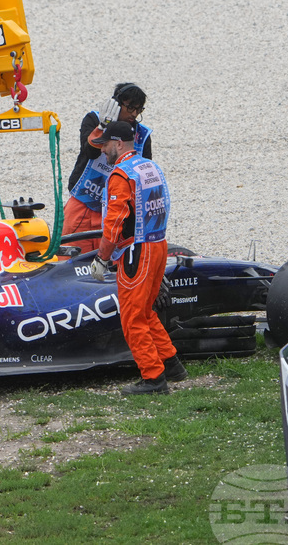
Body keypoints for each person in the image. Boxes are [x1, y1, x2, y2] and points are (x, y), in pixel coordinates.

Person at [87, 121, 186, 395]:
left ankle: (153, 378)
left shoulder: (120, 175)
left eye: (106, 145)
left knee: (132, 318)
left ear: (118, 144)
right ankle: (172, 364)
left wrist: (102, 258)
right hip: (158, 245)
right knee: (146, 311)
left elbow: (114, 223)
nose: (103, 150)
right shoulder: (150, 167)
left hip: (137, 252)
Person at [63, 83, 153, 254]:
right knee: (68, 260)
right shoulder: (93, 120)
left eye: (139, 110)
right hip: (82, 203)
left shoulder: (142, 136)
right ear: (117, 104)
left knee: (109, 265)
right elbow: (89, 151)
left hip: (116, 210)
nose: (134, 114)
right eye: (130, 108)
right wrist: (102, 128)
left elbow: (144, 176)